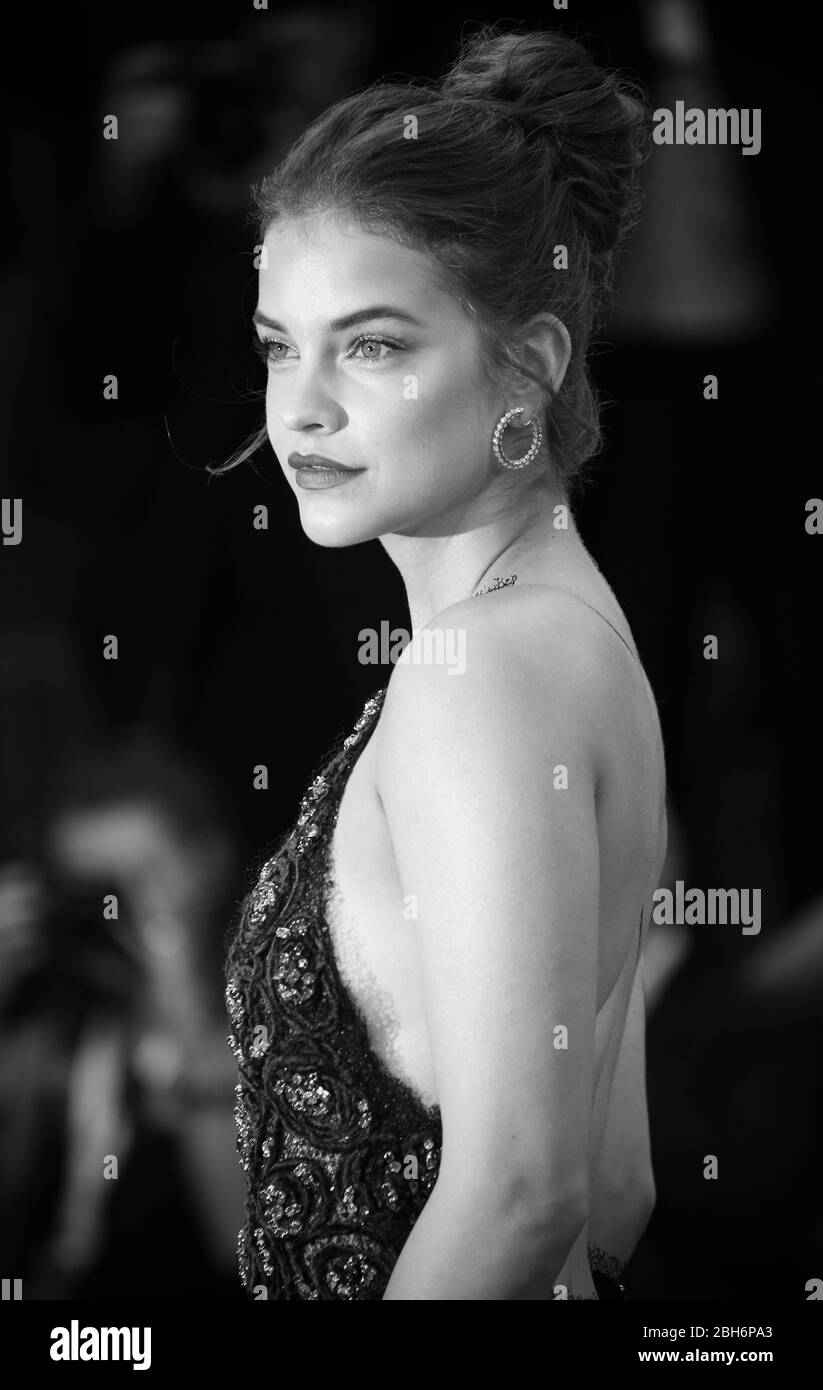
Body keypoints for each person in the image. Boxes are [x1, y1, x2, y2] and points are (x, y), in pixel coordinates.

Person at [220, 23, 667, 1300]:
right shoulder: (568, 635)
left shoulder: (486, 676)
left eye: (371, 344)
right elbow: (618, 1177)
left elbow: (529, 1195)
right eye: (275, 344)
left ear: (527, 362)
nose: (300, 405)